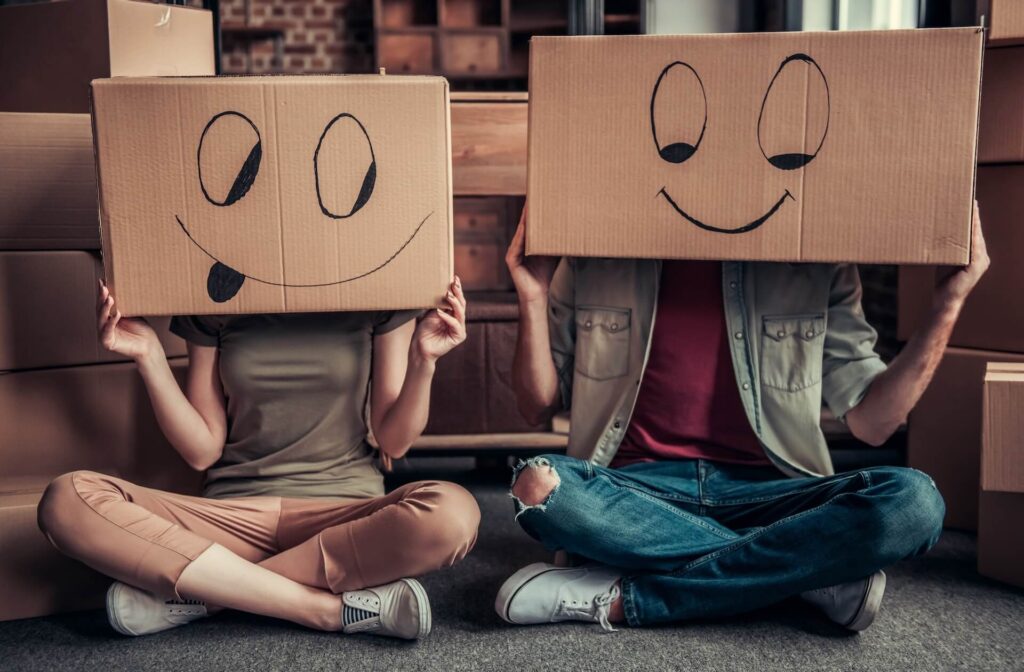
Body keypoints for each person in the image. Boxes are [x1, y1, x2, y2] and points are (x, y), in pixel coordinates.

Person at [495, 203, 989, 632]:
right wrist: (532, 296)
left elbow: (873, 422)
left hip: (772, 494)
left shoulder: (817, 256)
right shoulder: (595, 248)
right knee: (539, 489)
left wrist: (949, 304)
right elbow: (537, 403)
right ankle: (805, 579)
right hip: (633, 492)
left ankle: (631, 598)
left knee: (914, 503)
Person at [37, 277, 480, 641]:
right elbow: (203, 450)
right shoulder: (211, 293)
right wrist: (148, 356)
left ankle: (209, 596)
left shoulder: (374, 290)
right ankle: (323, 609)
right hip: (230, 517)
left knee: (454, 514)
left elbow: (394, 440)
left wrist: (425, 361)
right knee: (67, 500)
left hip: (344, 520)